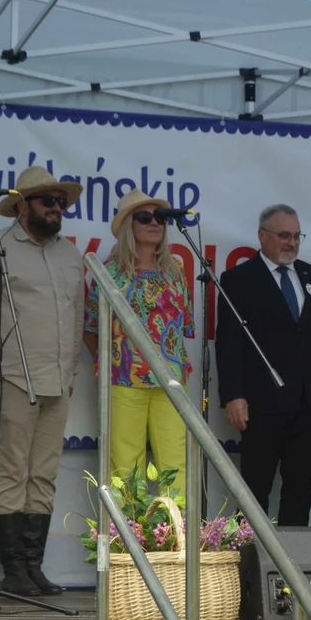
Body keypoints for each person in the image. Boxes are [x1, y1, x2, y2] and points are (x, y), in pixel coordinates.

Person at [0, 166, 85, 596]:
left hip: (56, 380)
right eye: (48, 201)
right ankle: (12, 570)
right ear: (22, 205)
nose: (57, 208)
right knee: (12, 474)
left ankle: (33, 567)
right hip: (11, 377)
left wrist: (71, 372)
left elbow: (77, 316)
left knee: (43, 475)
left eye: (61, 201)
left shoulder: (70, 254)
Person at [215, 204, 311, 526]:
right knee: (254, 490)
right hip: (261, 403)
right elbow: (229, 342)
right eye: (283, 236)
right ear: (262, 236)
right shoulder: (238, 279)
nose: (291, 243)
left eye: (296, 236)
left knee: (300, 489)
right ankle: (249, 571)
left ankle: (294, 571)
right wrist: (233, 395)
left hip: (307, 402)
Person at [83, 189, 193, 483]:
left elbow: (183, 329)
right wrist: (115, 361)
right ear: (128, 226)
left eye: (160, 218)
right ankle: (127, 530)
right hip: (124, 380)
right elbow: (91, 328)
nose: (155, 223)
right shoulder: (109, 272)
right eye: (145, 218)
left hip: (170, 380)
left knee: (176, 464)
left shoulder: (176, 271)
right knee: (126, 468)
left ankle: (175, 529)